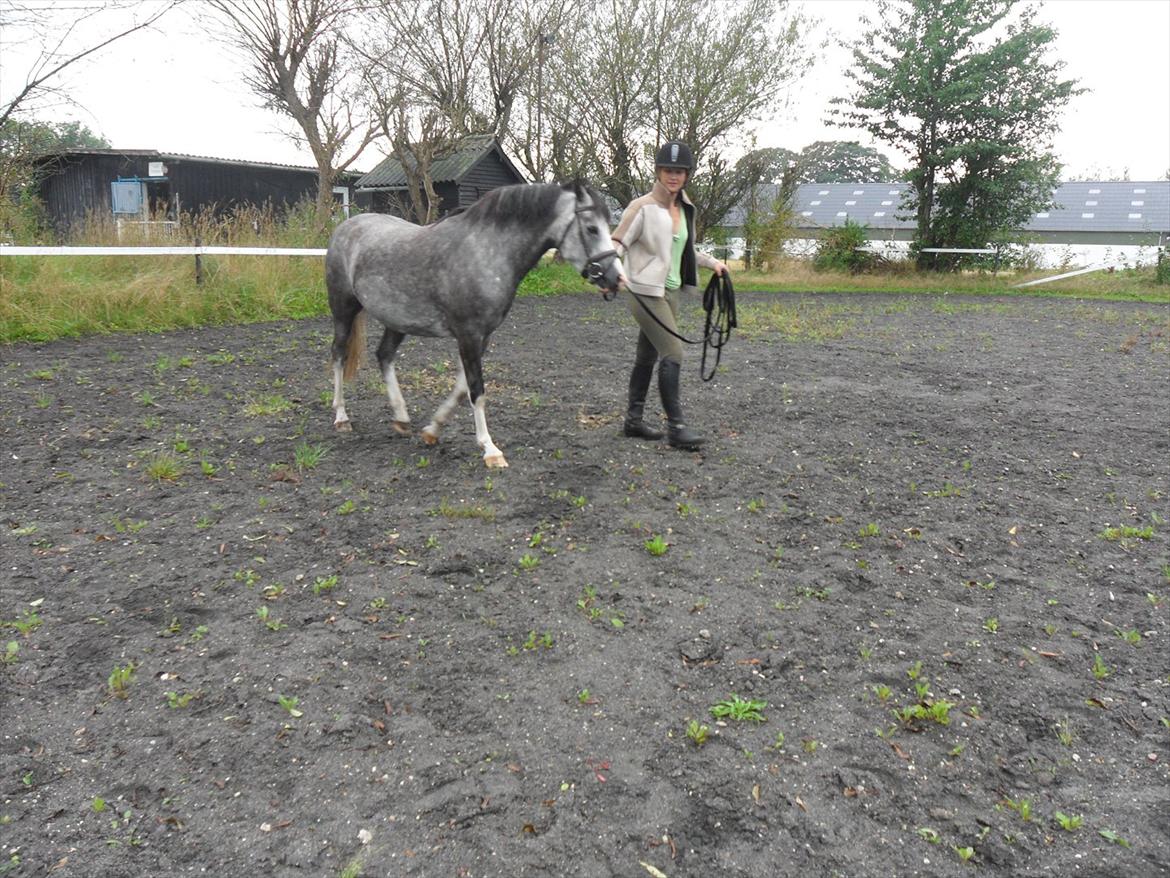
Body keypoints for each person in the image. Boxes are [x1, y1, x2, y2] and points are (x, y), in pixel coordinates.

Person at [610, 140, 727, 450]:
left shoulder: (685, 209)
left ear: (687, 174)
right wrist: (614, 270)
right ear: (659, 172)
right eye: (667, 170)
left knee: (647, 356)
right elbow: (618, 243)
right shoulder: (642, 206)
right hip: (644, 291)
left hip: (671, 291)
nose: (673, 176)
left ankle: (633, 421)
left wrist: (713, 263)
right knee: (673, 352)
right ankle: (676, 427)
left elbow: (685, 249)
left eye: (679, 171)